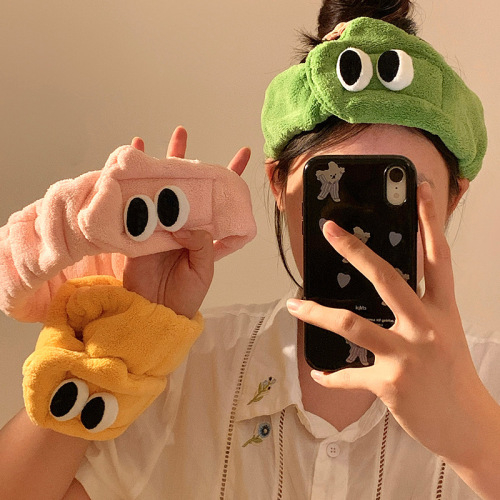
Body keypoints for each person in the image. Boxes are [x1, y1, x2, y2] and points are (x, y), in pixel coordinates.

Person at [1, 0, 499, 498]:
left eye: (397, 194)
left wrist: (475, 439)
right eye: (337, 192)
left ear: (453, 197)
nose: (361, 237)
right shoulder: (186, 372)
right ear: (278, 185)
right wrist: (120, 342)